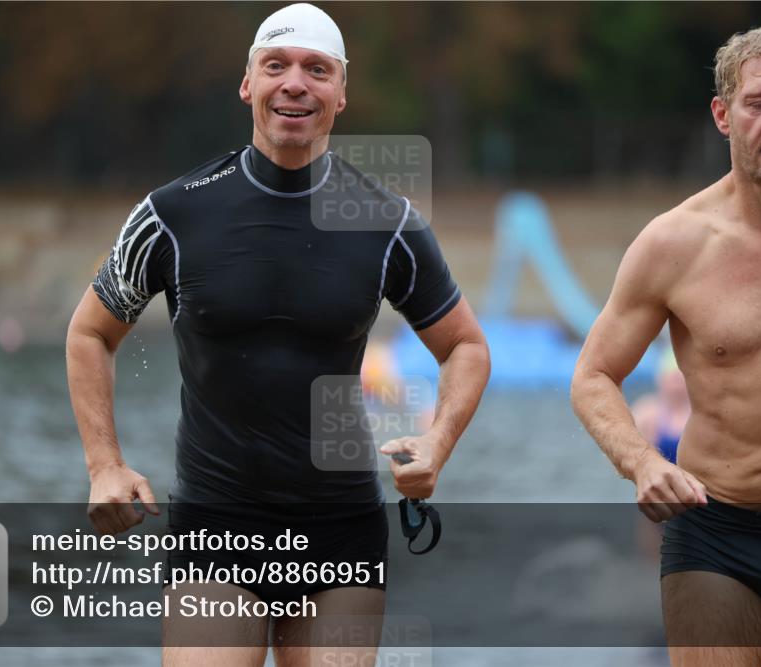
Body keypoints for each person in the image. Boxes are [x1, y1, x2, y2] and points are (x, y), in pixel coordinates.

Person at [65, 4, 490, 666]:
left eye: (317, 69)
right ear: (248, 85)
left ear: (341, 93)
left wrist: (438, 441)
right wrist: (104, 465)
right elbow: (91, 332)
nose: (295, 83)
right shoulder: (174, 213)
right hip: (216, 522)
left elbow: (465, 345)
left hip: (340, 528)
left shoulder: (386, 222)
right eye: (277, 66)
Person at [570, 22, 761, 667]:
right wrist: (642, 462)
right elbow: (593, 375)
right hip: (715, 527)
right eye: (758, 102)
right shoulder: (674, 243)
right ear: (723, 114)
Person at [631, 347, 690, 465]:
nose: (677, 386)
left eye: (680, 379)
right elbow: (631, 454)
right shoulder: (647, 412)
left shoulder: (699, 414)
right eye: (674, 379)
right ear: (662, 379)